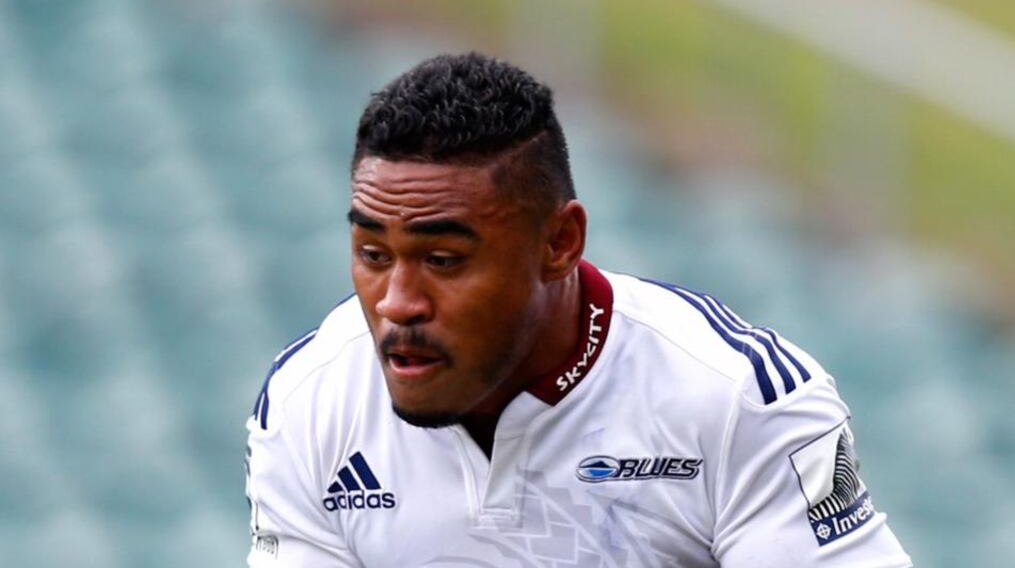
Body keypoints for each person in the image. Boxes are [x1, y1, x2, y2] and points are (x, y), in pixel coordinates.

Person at [245, 52, 913, 567]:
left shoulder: (740, 398)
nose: (398, 303)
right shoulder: (307, 403)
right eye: (372, 253)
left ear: (559, 243)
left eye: (444, 260)